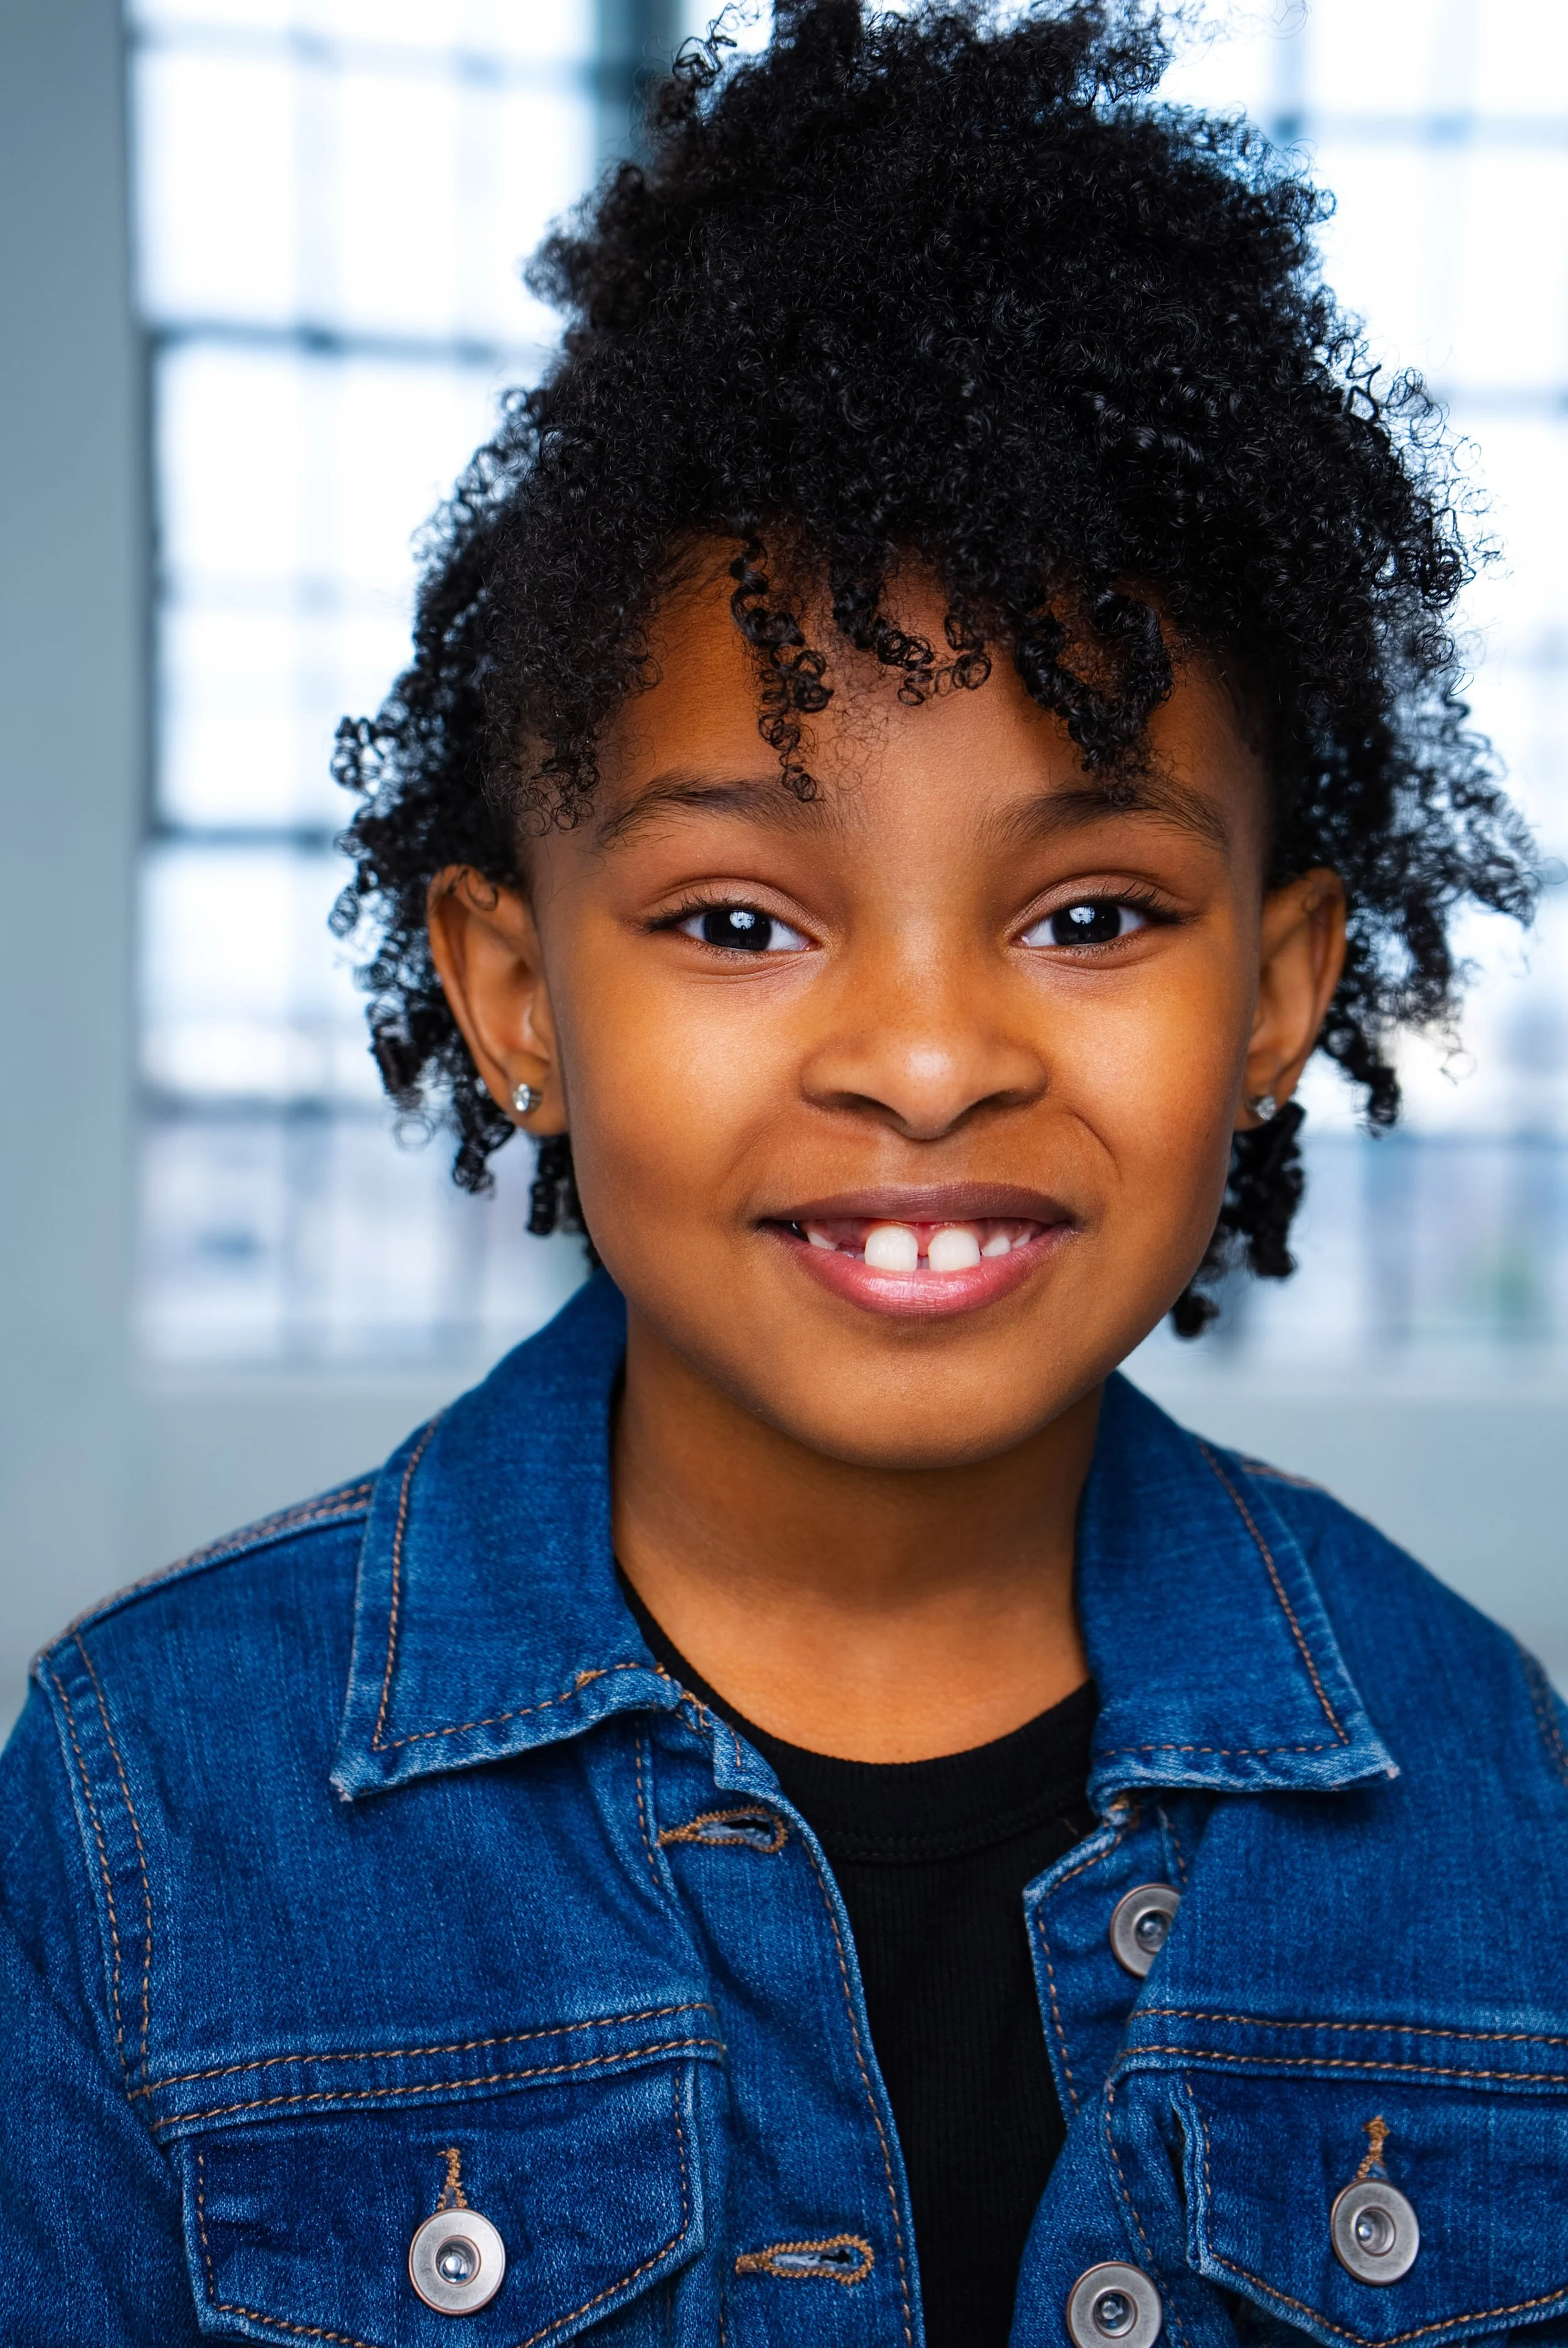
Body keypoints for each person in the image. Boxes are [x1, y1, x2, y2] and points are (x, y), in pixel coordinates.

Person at [4, 4, 1564, 2343]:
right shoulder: (147, 1798)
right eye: (738, 919)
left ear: (1274, 987)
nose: (927, 1061)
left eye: (1091, 914)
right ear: (516, 992)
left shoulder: (1487, 1780)